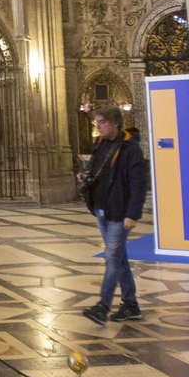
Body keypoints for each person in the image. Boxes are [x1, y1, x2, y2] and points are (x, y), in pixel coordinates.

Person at [78, 105, 148, 324]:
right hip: (102, 209)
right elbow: (96, 169)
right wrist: (85, 176)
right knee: (119, 257)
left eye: (102, 122)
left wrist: (132, 214)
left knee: (112, 259)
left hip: (119, 212)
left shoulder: (130, 149)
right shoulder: (99, 144)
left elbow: (139, 185)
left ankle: (102, 307)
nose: (98, 126)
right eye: (97, 122)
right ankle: (131, 305)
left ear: (116, 123)